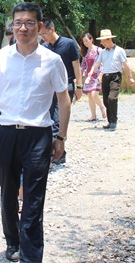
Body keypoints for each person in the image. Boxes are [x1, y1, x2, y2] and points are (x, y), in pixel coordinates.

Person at [0, 2, 70, 263]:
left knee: (33, 199)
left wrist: (60, 137)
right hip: (7, 134)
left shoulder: (52, 61)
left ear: (39, 26)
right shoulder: (1, 57)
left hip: (38, 136)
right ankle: (12, 241)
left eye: (29, 23)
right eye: (18, 22)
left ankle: (31, 256)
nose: (23, 28)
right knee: (7, 194)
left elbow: (64, 100)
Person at [39, 18, 82, 165]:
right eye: (40, 35)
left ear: (52, 29)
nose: (43, 37)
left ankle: (55, 153)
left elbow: (76, 66)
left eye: (44, 33)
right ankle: (57, 152)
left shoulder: (68, 44)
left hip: (66, 86)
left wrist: (79, 86)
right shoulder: (44, 47)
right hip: (49, 88)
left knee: (57, 119)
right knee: (48, 118)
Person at [85, 29, 135, 131]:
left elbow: (125, 64)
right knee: (106, 100)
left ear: (109, 39)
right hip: (105, 77)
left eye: (104, 41)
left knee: (112, 98)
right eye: (102, 41)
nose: (102, 43)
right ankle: (110, 121)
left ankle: (113, 121)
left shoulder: (119, 50)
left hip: (115, 76)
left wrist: (130, 77)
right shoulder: (103, 52)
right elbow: (97, 63)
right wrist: (91, 72)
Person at [80, 33, 106, 121]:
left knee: (94, 94)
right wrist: (79, 75)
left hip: (97, 75)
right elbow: (83, 65)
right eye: (84, 42)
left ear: (91, 40)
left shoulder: (99, 50)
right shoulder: (85, 52)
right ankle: (93, 115)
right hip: (89, 77)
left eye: (87, 41)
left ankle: (102, 107)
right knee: (90, 97)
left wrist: (101, 74)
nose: (85, 43)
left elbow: (102, 63)